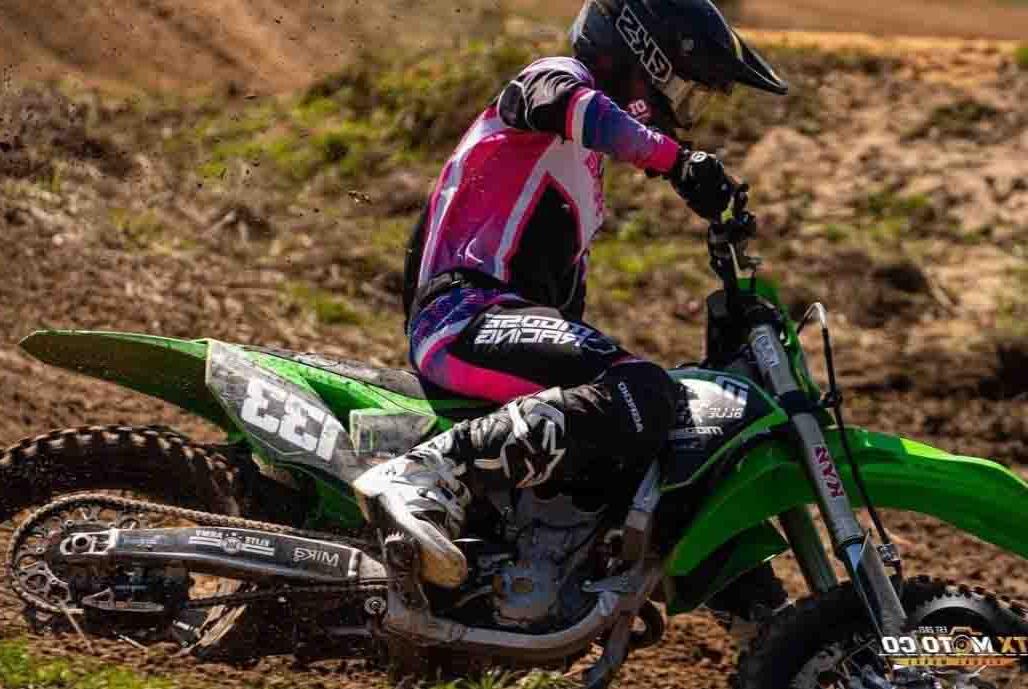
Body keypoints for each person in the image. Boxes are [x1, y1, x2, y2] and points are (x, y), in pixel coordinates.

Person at [355, 0, 788, 589]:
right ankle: (422, 477)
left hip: (493, 322)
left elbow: (564, 321)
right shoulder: (553, 79)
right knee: (640, 390)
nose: (681, 119)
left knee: (654, 428)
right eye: (685, 95)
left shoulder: (581, 173)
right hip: (465, 314)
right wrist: (677, 163)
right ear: (645, 57)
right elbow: (569, 105)